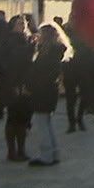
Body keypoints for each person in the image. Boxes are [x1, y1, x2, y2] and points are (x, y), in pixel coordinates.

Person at [28, 21, 72, 166]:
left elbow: (39, 72)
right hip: (50, 90)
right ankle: (54, 153)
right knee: (48, 122)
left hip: (42, 90)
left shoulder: (46, 53)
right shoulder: (57, 51)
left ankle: (46, 155)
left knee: (42, 123)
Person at [1, 16, 35, 161]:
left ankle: (21, 150)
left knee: (23, 119)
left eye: (24, 23)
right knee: (13, 118)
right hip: (13, 84)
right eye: (19, 23)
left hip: (26, 83)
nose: (22, 25)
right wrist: (15, 85)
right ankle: (11, 151)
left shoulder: (26, 39)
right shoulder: (10, 40)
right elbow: (14, 62)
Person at [61, 17, 94, 133]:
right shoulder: (66, 35)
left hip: (83, 70)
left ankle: (79, 119)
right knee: (71, 98)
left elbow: (92, 52)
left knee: (84, 96)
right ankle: (72, 122)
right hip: (70, 70)